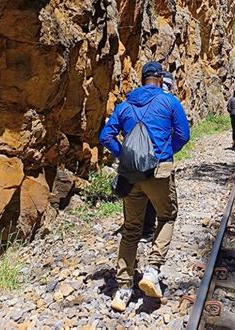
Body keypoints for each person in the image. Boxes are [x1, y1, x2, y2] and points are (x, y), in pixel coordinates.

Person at [99, 61, 190, 312]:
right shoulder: (170, 102)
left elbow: (105, 136)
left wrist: (125, 155)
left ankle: (123, 289)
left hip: (131, 175)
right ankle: (151, 271)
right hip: (158, 172)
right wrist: (164, 154)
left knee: (131, 229)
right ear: (160, 79)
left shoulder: (124, 105)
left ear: (142, 80)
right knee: (167, 216)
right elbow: (183, 135)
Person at [141, 70, 176, 244]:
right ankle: (151, 233)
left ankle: (143, 229)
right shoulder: (170, 101)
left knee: (141, 194)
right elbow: (182, 133)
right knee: (165, 207)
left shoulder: (136, 100)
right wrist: (169, 150)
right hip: (161, 156)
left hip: (137, 156)